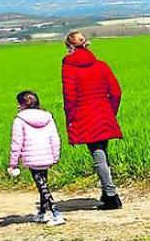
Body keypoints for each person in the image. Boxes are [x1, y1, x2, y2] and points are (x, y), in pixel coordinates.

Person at [61, 31, 124, 210]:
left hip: (85, 117)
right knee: (102, 154)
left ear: (69, 47)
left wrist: (71, 120)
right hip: (103, 114)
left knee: (98, 157)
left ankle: (111, 197)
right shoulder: (101, 65)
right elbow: (116, 92)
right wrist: (110, 112)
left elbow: (70, 97)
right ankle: (106, 192)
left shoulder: (68, 68)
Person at [8, 90, 65, 226]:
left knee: (42, 186)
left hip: (31, 158)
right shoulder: (48, 117)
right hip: (46, 157)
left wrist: (13, 163)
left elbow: (16, 143)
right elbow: (55, 139)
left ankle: (56, 213)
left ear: (24, 105)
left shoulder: (19, 120)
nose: (17, 106)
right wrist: (55, 156)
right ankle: (42, 213)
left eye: (19, 103)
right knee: (42, 184)